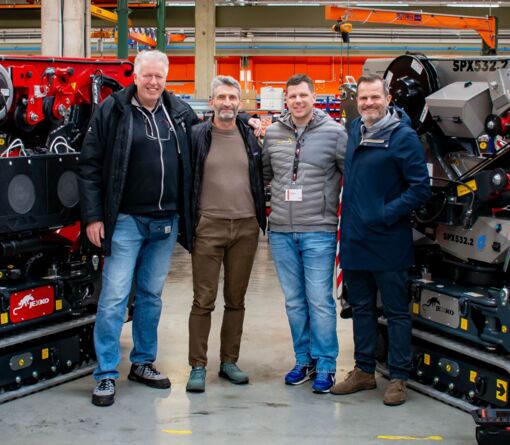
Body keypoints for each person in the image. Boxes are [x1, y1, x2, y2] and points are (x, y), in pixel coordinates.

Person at [78, 49, 201, 407]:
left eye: (159, 76)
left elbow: (206, 140)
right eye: (147, 75)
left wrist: (245, 124)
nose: (153, 82)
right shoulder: (113, 110)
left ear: (166, 79)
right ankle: (105, 373)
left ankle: (143, 362)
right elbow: (89, 165)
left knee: (150, 295)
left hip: (165, 222)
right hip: (126, 221)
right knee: (115, 297)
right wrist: (93, 217)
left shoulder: (178, 112)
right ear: (135, 76)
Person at [330, 73, 431, 406]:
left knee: (396, 311)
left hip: (388, 239)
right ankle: (363, 371)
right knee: (361, 308)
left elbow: (420, 188)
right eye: (363, 98)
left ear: (388, 99)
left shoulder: (403, 137)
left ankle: (399, 377)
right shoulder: (355, 130)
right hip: (355, 239)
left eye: (375, 97)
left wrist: (385, 213)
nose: (369, 103)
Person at [262, 74, 347, 394]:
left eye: (303, 95)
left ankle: (325, 364)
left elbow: (350, 175)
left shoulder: (335, 133)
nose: (298, 101)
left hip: (318, 231)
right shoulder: (274, 133)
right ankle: (303, 360)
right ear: (286, 99)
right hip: (281, 232)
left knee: (319, 300)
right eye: (292, 96)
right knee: (295, 302)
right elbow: (265, 174)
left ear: (314, 97)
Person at [185, 75, 266, 393]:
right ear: (212, 102)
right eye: (221, 97)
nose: (227, 103)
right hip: (208, 226)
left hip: (246, 226)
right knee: (203, 300)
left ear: (239, 103)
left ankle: (229, 361)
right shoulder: (196, 135)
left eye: (233, 97)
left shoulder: (250, 136)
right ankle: (197, 365)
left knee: (236, 299)